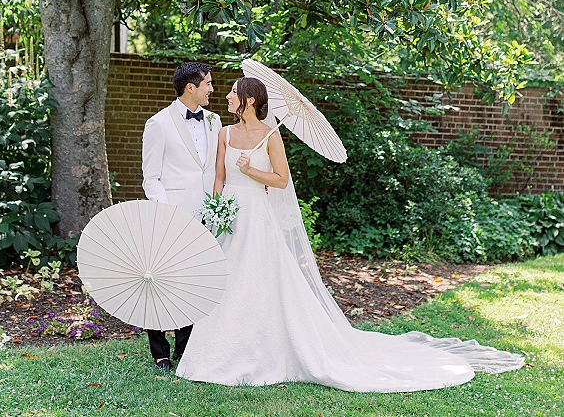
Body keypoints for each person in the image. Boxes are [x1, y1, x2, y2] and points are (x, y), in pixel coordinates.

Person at [176, 76, 524, 391]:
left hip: (259, 217)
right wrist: (215, 211)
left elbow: (281, 181)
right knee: (228, 281)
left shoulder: (271, 136)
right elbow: (219, 178)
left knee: (260, 282)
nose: (226, 97)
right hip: (231, 218)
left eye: (233, 93)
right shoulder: (223, 133)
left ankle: (264, 353)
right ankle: (213, 356)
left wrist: (252, 170)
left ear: (249, 100)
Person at [141, 61, 222, 372]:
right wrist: (167, 213)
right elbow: (151, 176)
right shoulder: (158, 124)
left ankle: (185, 346)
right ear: (192, 87)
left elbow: (214, 169)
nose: (212, 90)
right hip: (170, 218)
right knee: (159, 283)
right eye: (208, 84)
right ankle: (159, 351)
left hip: (205, 217)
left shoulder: (214, 121)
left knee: (192, 284)